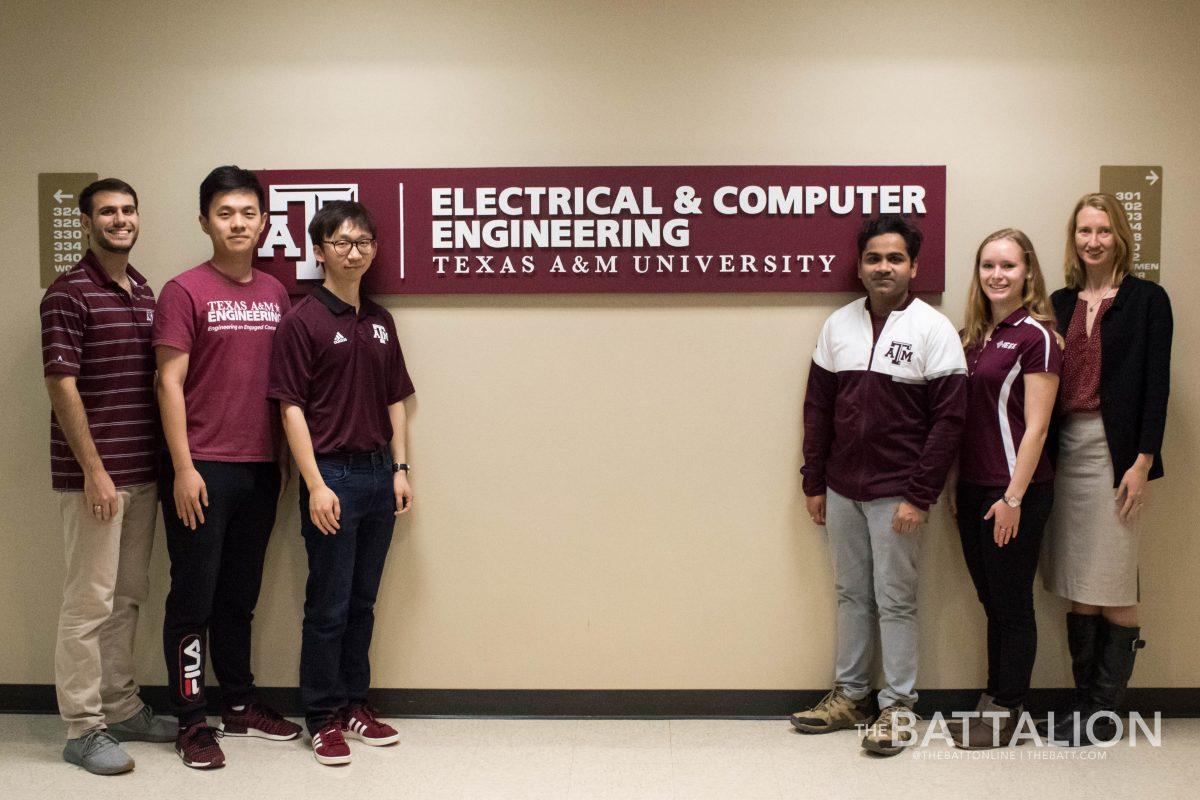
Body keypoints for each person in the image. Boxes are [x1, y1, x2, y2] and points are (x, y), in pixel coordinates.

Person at [793, 215, 967, 756]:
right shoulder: (837, 326)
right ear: (860, 266)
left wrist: (920, 494)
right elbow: (818, 409)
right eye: (873, 258)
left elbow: (949, 423)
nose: (883, 267)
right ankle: (850, 696)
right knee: (850, 594)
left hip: (899, 492)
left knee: (895, 600)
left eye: (895, 258)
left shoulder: (933, 330)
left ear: (914, 267)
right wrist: (814, 480)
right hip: (842, 488)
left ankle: (897, 706)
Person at [153, 166, 301, 769]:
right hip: (202, 469)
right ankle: (191, 720)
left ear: (263, 221)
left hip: (262, 469)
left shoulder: (274, 293)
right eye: (224, 213)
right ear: (204, 222)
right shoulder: (184, 290)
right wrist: (184, 468)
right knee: (192, 599)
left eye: (247, 213)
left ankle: (238, 703)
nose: (237, 223)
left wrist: (287, 462)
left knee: (240, 597)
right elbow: (168, 381)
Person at [268, 200, 415, 765]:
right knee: (327, 606)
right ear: (319, 250)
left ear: (374, 249)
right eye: (341, 243)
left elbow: (395, 399)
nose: (354, 252)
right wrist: (315, 485)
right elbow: (290, 410)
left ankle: (355, 703)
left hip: (379, 476)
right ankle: (322, 716)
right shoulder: (301, 320)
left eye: (363, 243)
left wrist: (400, 470)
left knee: (362, 603)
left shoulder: (381, 320)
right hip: (331, 477)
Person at [40, 178, 176, 774]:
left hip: (141, 472)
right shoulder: (67, 294)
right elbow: (60, 384)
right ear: (88, 222)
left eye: (127, 210)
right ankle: (83, 726)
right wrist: (94, 471)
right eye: (107, 212)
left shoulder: (143, 290)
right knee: (88, 602)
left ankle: (120, 707)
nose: (119, 220)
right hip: (94, 477)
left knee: (127, 597)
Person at [1041, 193, 1172, 746]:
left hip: (1119, 454)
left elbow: (1156, 386)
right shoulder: (1061, 300)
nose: (1092, 241)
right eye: (1083, 231)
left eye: (1103, 231)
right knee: (1078, 582)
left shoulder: (1148, 300)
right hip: (1066, 450)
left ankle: (1103, 711)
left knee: (1115, 581)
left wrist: (1142, 460)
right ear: (1074, 238)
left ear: (1120, 236)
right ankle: (1081, 705)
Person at [946, 229, 1061, 748]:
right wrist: (955, 487)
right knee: (991, 602)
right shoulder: (973, 337)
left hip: (1014, 492)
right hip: (972, 488)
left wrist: (1012, 499)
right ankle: (993, 701)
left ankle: (1009, 709)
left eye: (1008, 266)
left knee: (1012, 604)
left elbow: (1036, 427)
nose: (997, 274)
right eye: (988, 265)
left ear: (1028, 273)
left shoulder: (1035, 336)